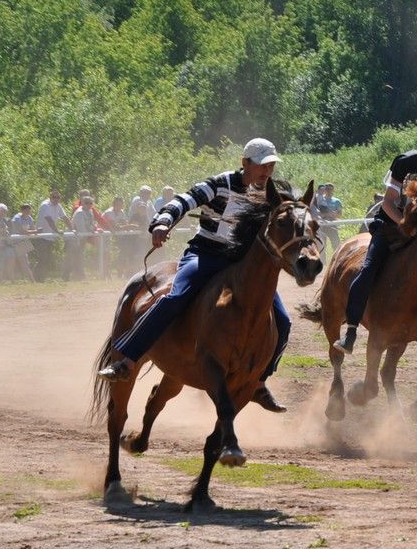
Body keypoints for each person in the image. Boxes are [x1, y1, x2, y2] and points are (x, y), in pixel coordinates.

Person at [96, 138, 291, 413]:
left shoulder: (269, 194)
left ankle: (258, 381)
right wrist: (163, 221)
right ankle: (127, 359)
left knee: (283, 320)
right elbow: (184, 200)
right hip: (206, 255)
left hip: (240, 265)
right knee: (175, 297)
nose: (267, 171)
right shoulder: (220, 183)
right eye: (262, 165)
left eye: (271, 165)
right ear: (245, 163)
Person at [333, 132, 417, 354]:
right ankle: (351, 331)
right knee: (366, 272)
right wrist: (407, 226)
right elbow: (387, 203)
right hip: (389, 229)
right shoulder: (406, 162)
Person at [312, 182, 343, 256]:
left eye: (330, 189)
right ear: (324, 189)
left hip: (332, 224)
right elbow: (315, 212)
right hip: (322, 224)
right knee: (322, 244)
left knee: (336, 243)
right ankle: (323, 262)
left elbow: (340, 215)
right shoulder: (319, 199)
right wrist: (327, 214)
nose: (329, 190)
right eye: (327, 189)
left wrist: (334, 215)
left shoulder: (336, 201)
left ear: (333, 190)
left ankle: (337, 258)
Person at [9, 203, 37, 282]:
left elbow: (32, 228)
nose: (28, 212)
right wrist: (35, 231)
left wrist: (34, 231)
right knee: (12, 263)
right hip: (14, 242)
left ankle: (32, 281)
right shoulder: (17, 218)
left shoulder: (29, 218)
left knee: (25, 263)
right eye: (26, 210)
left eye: (29, 210)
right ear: (22, 210)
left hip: (23, 241)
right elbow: (21, 231)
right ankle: (13, 281)